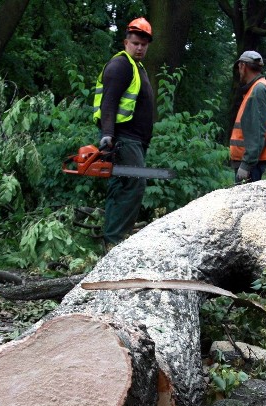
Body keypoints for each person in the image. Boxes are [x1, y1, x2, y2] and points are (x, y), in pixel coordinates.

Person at [92, 17, 155, 247]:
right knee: (132, 185)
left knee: (126, 186)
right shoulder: (120, 65)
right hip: (124, 139)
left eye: (144, 44)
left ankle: (115, 239)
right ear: (126, 42)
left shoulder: (136, 66)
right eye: (136, 43)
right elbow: (108, 102)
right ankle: (115, 241)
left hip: (134, 140)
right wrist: (107, 135)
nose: (140, 48)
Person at [230, 51, 266, 183]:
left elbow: (256, 132)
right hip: (253, 163)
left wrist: (246, 165)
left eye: (239, 68)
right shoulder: (260, 87)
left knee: (245, 203)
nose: (239, 72)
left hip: (250, 164)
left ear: (243, 66)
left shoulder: (257, 90)